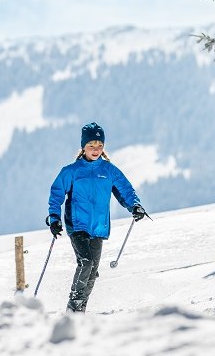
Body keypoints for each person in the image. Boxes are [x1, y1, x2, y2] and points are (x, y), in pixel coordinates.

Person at [47, 122, 147, 313]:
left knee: (93, 271)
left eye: (99, 145)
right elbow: (56, 194)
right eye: (91, 145)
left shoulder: (109, 170)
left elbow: (125, 189)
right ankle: (73, 306)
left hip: (98, 227)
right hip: (77, 225)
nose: (96, 149)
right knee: (86, 263)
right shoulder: (71, 171)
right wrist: (54, 218)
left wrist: (135, 205)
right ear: (83, 146)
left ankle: (81, 310)